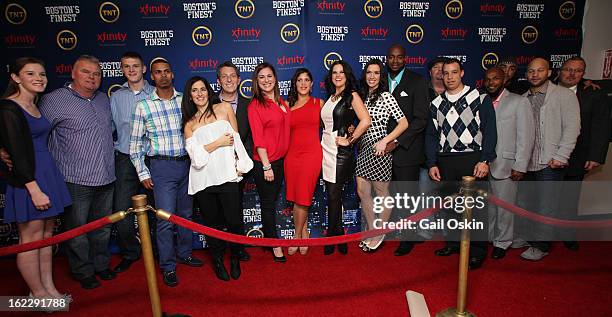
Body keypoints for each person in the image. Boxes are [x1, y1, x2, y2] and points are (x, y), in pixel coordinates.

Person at [40, 55, 116, 289]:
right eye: (86, 72)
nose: (92, 77)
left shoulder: (103, 99)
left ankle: (101, 265)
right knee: (77, 230)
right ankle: (83, 271)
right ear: (73, 73)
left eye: (96, 74)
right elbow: (36, 135)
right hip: (75, 179)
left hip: (106, 177)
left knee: (102, 228)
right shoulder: (53, 101)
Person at [0, 57, 71, 301]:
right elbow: (18, 153)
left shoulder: (36, 104)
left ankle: (47, 288)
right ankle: (38, 294)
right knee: (30, 238)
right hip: (29, 178)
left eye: (41, 73)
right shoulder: (9, 108)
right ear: (16, 77)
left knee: (47, 235)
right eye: (30, 74)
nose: (38, 78)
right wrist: (34, 189)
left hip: (46, 171)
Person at [130, 58, 203, 287]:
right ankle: (168, 266)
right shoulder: (143, 106)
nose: (163, 75)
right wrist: (143, 173)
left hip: (187, 164)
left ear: (173, 74)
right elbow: (135, 144)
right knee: (164, 219)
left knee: (185, 215)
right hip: (161, 167)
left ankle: (185, 253)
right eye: (158, 72)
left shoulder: (185, 100)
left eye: (167, 71)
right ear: (152, 76)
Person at [425, 58, 497, 270]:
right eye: (445, 73)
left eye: (454, 72)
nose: (449, 77)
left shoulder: (479, 97)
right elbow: (431, 135)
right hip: (446, 160)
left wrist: (485, 159)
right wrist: (432, 163)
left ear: (462, 73)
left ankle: (477, 251)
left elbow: (490, 131)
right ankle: (453, 244)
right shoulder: (436, 103)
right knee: (451, 207)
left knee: (477, 208)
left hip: (472, 159)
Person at [182, 76, 253, 281]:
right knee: (212, 224)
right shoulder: (190, 124)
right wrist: (218, 143)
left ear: (208, 91)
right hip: (203, 180)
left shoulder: (224, 109)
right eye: (194, 90)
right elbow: (197, 159)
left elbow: (236, 141)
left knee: (233, 221)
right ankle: (218, 260)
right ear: (190, 95)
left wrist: (241, 166)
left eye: (202, 89)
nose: (199, 94)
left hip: (227, 175)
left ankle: (234, 259)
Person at [516, 57, 580, 261]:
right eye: (531, 71)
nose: (535, 74)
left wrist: (561, 156)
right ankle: (527, 238)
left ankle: (542, 245)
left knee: (547, 205)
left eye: (540, 70)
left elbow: (573, 128)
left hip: (550, 162)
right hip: (527, 163)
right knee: (526, 203)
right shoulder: (523, 98)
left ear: (550, 72)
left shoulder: (564, 96)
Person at [356, 59, 408, 252]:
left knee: (381, 193)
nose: (372, 76)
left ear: (381, 76)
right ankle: (372, 230)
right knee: (363, 192)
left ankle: (380, 232)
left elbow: (403, 123)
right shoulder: (363, 96)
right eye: (369, 72)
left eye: (376, 73)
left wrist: (385, 141)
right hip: (364, 150)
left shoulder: (386, 96)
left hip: (379, 151)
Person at [557, 57, 609, 250]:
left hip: (577, 156)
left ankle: (567, 234)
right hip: (546, 156)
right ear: (559, 71)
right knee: (544, 197)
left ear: (583, 74)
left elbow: (601, 127)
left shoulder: (593, 94)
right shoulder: (545, 88)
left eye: (577, 71)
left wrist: (596, 156)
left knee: (570, 199)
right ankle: (542, 234)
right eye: (568, 69)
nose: (572, 74)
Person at [483, 67, 535, 260]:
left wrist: (520, 165)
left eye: (495, 78)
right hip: (483, 165)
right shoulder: (482, 100)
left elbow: (526, 136)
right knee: (488, 206)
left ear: (504, 80)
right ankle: (489, 237)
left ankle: (503, 242)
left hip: (506, 164)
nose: (491, 83)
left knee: (505, 208)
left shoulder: (518, 102)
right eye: (487, 79)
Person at [384, 44, 430, 256]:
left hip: (407, 150)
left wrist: (399, 141)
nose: (394, 61)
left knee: (406, 195)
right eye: (391, 57)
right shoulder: (380, 80)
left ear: (405, 59)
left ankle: (409, 237)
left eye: (399, 57)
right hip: (382, 150)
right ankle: (392, 231)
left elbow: (421, 119)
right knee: (388, 194)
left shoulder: (417, 81)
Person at [110, 51, 154, 273]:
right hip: (126, 159)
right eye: (126, 66)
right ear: (122, 70)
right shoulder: (116, 97)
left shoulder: (156, 93)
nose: (132, 70)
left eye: (135, 65)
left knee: (157, 208)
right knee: (122, 210)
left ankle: (157, 252)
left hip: (152, 158)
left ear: (144, 68)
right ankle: (130, 252)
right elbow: (109, 130)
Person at [321, 60, 371, 255]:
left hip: (340, 153)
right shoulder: (331, 96)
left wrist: (350, 140)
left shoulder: (352, 95)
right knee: (332, 196)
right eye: (334, 72)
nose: (338, 75)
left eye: (341, 72)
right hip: (325, 149)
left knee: (334, 195)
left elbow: (366, 120)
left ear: (346, 75)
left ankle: (333, 238)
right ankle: (339, 232)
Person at [247, 62, 291, 262]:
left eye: (269, 76)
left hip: (281, 161)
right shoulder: (255, 105)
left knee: (272, 202)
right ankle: (274, 244)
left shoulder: (281, 102)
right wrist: (266, 166)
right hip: (266, 163)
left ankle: (271, 240)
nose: (266, 80)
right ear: (257, 81)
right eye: (261, 77)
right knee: (268, 205)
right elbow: (258, 139)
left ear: (275, 78)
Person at [284, 68, 323, 256]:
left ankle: (296, 236)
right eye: (299, 80)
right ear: (295, 83)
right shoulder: (287, 106)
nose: (303, 83)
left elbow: (335, 122)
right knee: (297, 196)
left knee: (303, 196)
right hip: (291, 157)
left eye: (307, 80)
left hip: (312, 155)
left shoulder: (319, 103)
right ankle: (305, 231)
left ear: (312, 83)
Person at [216, 61, 252, 261]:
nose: (229, 80)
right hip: (215, 166)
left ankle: (238, 248)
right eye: (224, 76)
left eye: (233, 76)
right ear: (218, 80)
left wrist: (240, 162)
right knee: (217, 209)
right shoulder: (209, 103)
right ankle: (219, 248)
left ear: (239, 79)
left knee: (235, 208)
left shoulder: (249, 104)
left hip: (239, 168)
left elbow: (250, 138)